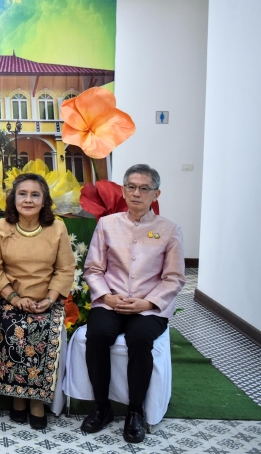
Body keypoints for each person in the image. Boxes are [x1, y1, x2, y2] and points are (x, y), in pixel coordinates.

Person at [81, 164, 184, 443]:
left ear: (156, 194)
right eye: (131, 187)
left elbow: (174, 278)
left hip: (148, 307)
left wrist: (147, 303)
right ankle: (101, 406)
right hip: (111, 301)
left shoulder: (169, 230)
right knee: (97, 334)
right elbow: (93, 269)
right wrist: (106, 296)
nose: (137, 193)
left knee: (139, 338)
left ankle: (135, 411)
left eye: (144, 188)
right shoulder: (107, 224)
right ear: (124, 191)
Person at [0, 173, 75, 430]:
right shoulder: (1, 227)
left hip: (47, 300)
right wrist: (15, 298)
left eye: (35, 195)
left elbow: (65, 269)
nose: (28, 200)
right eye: (22, 194)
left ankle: (36, 400)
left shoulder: (57, 228)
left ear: (45, 200)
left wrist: (50, 299)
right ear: (13, 198)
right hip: (9, 299)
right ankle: (17, 397)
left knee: (42, 328)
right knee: (17, 328)